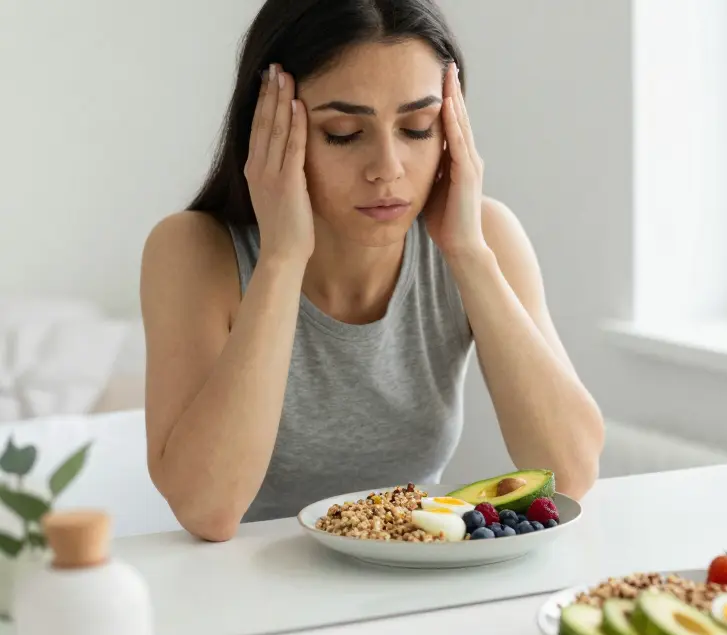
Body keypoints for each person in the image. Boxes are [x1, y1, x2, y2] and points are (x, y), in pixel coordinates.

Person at [139, 0, 604, 542]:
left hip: (416, 582)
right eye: (342, 132)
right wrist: (282, 259)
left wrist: (469, 254)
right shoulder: (193, 251)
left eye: (418, 127)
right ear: (268, 130)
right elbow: (206, 510)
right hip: (253, 594)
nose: (388, 169)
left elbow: (569, 475)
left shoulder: (484, 238)